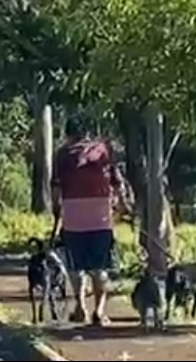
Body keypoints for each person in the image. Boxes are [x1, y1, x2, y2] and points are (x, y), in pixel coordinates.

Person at [51, 115, 129, 327]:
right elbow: (117, 181)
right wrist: (122, 207)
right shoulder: (103, 150)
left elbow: (56, 188)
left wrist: (57, 214)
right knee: (100, 267)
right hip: (100, 218)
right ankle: (100, 311)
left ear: (68, 134)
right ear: (88, 133)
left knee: (76, 268)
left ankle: (80, 307)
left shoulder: (63, 154)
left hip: (74, 219)